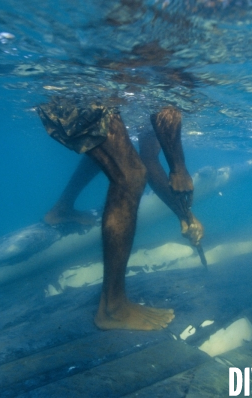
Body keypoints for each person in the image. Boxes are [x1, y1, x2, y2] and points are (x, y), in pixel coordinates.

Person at [37, 97, 203, 331]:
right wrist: (179, 168)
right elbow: (165, 109)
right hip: (77, 91)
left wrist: (184, 215)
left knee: (110, 152)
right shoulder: (181, 76)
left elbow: (149, 156)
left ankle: (62, 209)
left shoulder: (146, 87)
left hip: (79, 88)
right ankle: (112, 308)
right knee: (130, 175)